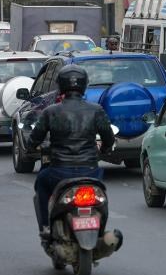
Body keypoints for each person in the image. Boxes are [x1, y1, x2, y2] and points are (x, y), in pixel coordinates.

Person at [28, 65, 114, 237]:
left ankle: (45, 226)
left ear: (60, 85)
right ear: (84, 85)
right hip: (90, 171)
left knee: (41, 183)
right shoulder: (96, 110)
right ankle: (102, 231)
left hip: (58, 171)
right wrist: (104, 149)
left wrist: (34, 147)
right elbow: (109, 139)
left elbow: (33, 140)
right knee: (101, 196)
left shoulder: (50, 111)